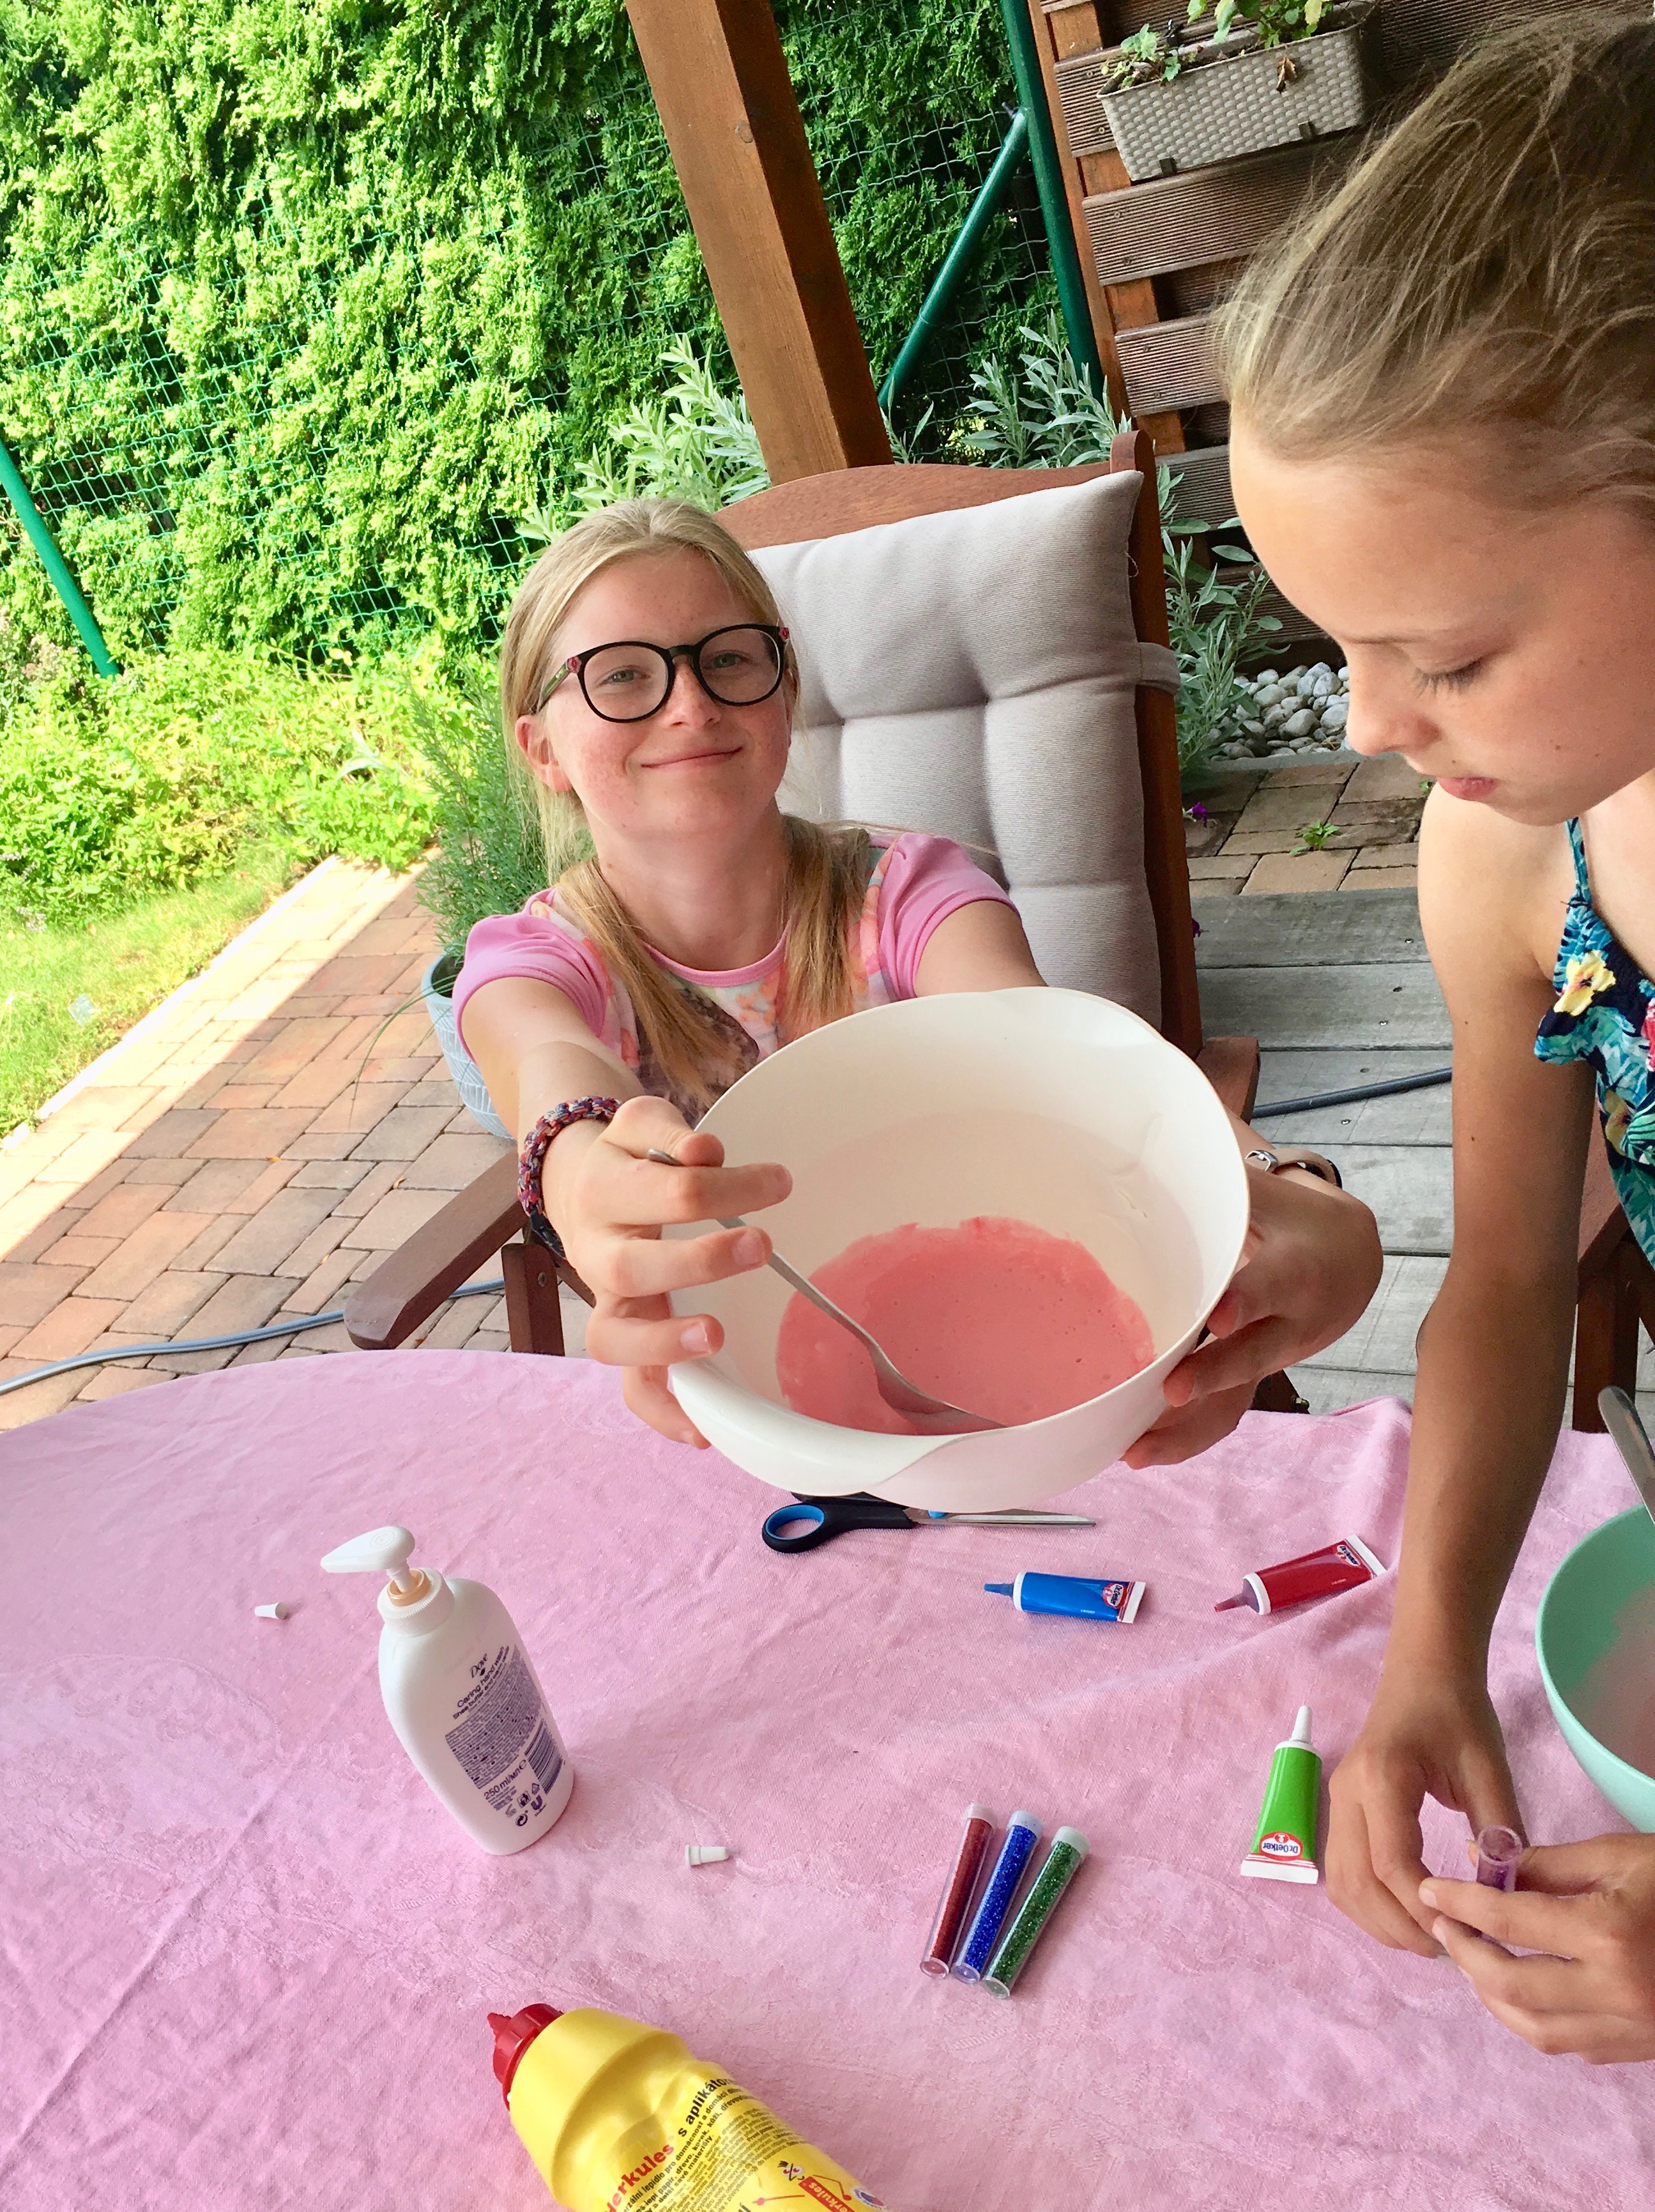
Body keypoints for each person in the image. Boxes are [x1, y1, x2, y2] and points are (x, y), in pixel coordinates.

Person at [1216, 7, 1655, 2061]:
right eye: (1337, 646)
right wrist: (1426, 1655)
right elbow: (1504, 1275)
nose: (1372, 725)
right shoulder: (1514, 863)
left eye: (1447, 655)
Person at [456, 496, 1380, 1461]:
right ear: (542, 747)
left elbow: (1054, 1055)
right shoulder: (534, 961)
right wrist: (574, 1168)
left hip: (1016, 1379)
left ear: (784, 691)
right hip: (731, 1426)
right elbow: (544, 1060)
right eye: (621, 675)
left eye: (727, 658)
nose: (690, 703)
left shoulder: (905, 891)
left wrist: (1290, 1188)